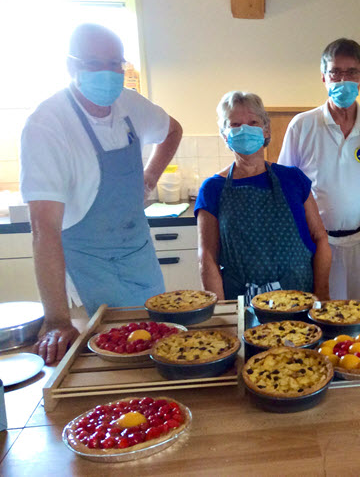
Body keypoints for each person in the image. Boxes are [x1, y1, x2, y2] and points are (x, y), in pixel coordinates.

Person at [20, 23, 183, 364]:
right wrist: (57, 320)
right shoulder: (48, 124)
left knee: (155, 352)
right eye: (95, 63)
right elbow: (44, 229)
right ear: (71, 66)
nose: (108, 74)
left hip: (139, 259)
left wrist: (149, 177)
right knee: (103, 363)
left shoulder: (129, 104)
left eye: (115, 64)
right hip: (87, 268)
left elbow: (172, 130)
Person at [278, 38, 360, 300]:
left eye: (351, 72)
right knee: (318, 312)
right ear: (323, 78)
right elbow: (286, 187)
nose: (343, 80)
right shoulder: (302, 125)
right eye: (335, 72)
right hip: (316, 244)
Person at [196, 91, 331, 301]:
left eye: (253, 122)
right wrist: (222, 312)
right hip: (241, 302)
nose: (245, 130)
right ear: (225, 135)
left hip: (299, 298)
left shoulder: (293, 179)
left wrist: (322, 293)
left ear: (266, 131)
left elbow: (320, 238)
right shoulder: (212, 189)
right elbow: (208, 257)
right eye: (235, 125)